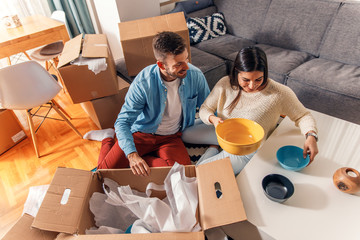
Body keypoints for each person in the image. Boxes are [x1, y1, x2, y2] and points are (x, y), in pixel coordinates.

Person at [84, 31, 210, 176]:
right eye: (178, 64)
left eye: (187, 59)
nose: (186, 66)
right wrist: (132, 155)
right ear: (161, 65)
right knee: (103, 173)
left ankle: (139, 161)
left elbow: (208, 106)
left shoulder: (195, 75)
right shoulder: (143, 83)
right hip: (141, 134)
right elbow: (123, 121)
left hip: (171, 137)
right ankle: (107, 137)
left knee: (182, 174)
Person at [182, 46, 318, 175]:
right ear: (236, 71)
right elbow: (206, 108)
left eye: (258, 79)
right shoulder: (225, 83)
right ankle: (216, 146)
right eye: (245, 80)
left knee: (200, 172)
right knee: (184, 135)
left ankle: (213, 149)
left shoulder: (279, 93)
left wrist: (311, 136)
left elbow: (303, 115)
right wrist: (213, 119)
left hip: (246, 150)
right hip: (224, 133)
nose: (252, 85)